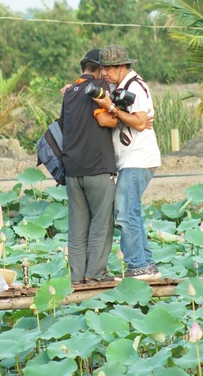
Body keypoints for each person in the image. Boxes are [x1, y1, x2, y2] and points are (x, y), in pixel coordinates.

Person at [93, 44, 162, 280]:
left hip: (138, 158)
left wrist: (112, 108)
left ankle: (137, 265)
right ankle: (146, 263)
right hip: (131, 159)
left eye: (109, 68)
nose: (105, 73)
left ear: (122, 66)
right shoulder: (120, 86)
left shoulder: (135, 87)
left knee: (124, 211)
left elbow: (141, 122)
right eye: (103, 69)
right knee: (131, 211)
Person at [60, 49, 118, 284]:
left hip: (73, 171)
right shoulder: (98, 89)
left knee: (77, 227)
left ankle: (76, 278)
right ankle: (95, 274)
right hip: (97, 167)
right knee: (102, 222)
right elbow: (106, 120)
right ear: (99, 69)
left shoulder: (68, 93)